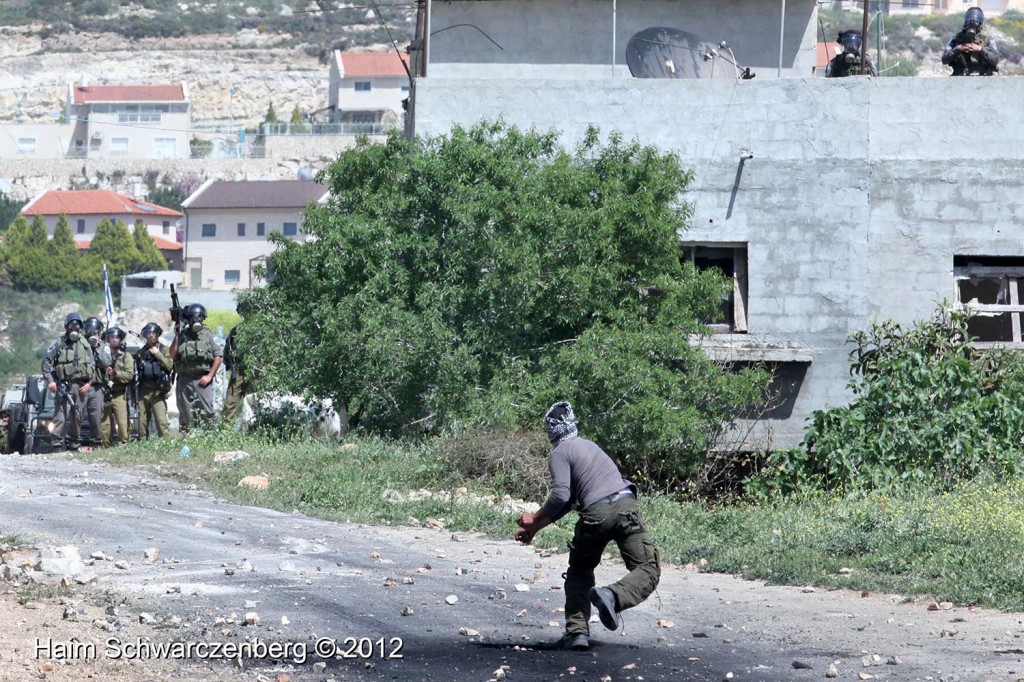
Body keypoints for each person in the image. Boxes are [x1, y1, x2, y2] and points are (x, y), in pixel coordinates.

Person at [515, 401, 661, 651]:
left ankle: (577, 632)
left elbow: (561, 495)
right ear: (573, 424)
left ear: (550, 431)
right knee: (648, 567)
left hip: (597, 513)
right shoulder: (590, 446)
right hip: (627, 505)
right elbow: (570, 501)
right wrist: (535, 527)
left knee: (580, 571)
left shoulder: (559, 452)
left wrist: (534, 516)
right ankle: (613, 596)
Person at [41, 312, 96, 452]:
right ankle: (57, 445)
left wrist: (89, 383)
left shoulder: (85, 344)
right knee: (60, 416)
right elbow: (46, 363)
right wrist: (51, 382)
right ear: (66, 326)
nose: (75, 327)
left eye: (77, 325)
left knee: (77, 416)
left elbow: (93, 366)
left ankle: (74, 445)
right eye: (72, 324)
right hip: (63, 385)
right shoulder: (59, 343)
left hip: (81, 386)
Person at [169, 303, 223, 433]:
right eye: (194, 317)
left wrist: (209, 376)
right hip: (184, 379)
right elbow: (172, 354)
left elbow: (218, 357)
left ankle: (208, 435)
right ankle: (186, 436)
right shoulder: (182, 335)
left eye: (199, 317)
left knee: (206, 410)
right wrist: (176, 336)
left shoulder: (209, 335)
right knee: (184, 410)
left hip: (202, 379)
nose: (196, 320)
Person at [135, 322, 174, 439]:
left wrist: (158, 354)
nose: (151, 335)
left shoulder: (164, 349)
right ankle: (143, 446)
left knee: (161, 421)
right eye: (148, 333)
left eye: (153, 333)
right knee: (142, 423)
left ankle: (166, 445)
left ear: (158, 334)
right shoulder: (141, 353)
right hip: (143, 391)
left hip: (158, 391)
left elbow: (169, 366)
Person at [100, 327, 136, 446]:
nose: (115, 339)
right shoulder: (101, 355)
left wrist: (116, 374)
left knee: (122, 423)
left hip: (119, 394)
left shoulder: (126, 357)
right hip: (104, 394)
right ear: (108, 338)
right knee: (105, 425)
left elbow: (129, 375)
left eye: (117, 337)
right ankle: (105, 447)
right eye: (112, 337)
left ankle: (124, 445)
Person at [942, 7, 999, 76]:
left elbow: (995, 59)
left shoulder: (988, 39)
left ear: (981, 22)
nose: (972, 23)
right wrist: (957, 49)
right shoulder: (957, 39)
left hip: (984, 77)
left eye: (976, 21)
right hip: (960, 78)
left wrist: (980, 49)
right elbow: (944, 59)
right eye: (969, 21)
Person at [81, 316, 110, 450]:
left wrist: (97, 347)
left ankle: (96, 445)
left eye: (96, 330)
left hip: (97, 387)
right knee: (76, 417)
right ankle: (73, 443)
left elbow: (106, 363)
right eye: (90, 330)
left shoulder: (104, 347)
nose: (93, 333)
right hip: (80, 385)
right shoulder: (80, 345)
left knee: (96, 418)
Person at [221, 304, 248, 426]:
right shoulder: (235, 331)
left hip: (255, 372)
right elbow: (227, 351)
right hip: (238, 372)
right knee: (230, 404)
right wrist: (231, 366)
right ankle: (226, 432)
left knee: (254, 403)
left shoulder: (261, 331)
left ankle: (254, 430)